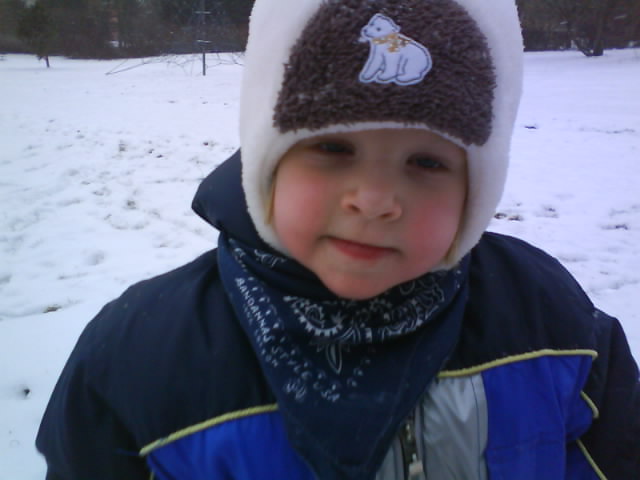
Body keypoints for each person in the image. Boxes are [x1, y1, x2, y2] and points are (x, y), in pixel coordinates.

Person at [36, 0, 640, 479]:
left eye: (426, 162)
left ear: (475, 192)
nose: (374, 200)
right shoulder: (142, 357)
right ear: (267, 163)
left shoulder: (550, 322)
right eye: (332, 147)